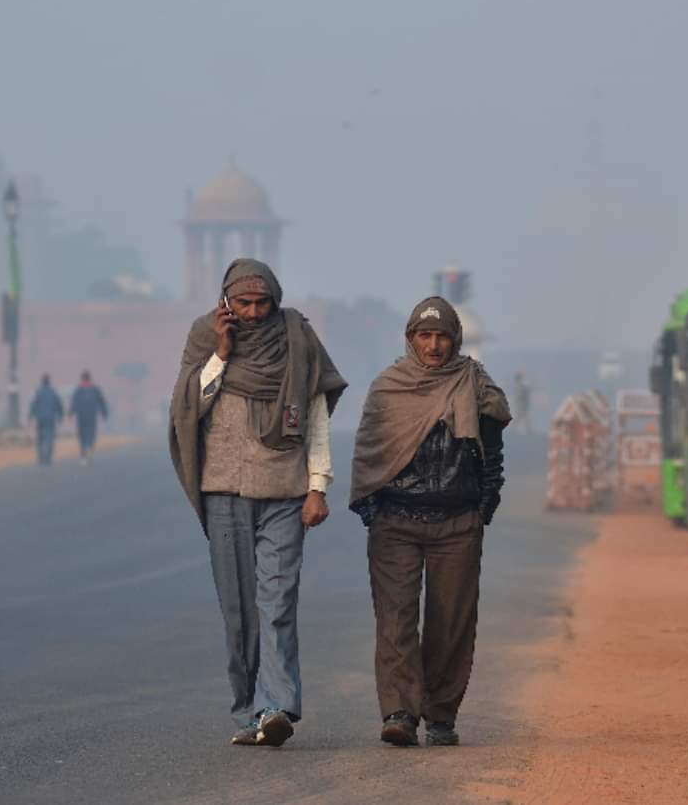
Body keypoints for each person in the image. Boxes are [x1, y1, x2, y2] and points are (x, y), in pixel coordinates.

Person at [168, 258, 347, 748]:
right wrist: (222, 354)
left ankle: (277, 705)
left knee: (277, 601)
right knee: (238, 608)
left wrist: (318, 486)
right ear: (226, 301)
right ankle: (247, 711)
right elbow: (188, 404)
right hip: (224, 489)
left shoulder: (298, 338)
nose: (252, 312)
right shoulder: (206, 337)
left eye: (261, 302)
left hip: (285, 489)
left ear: (276, 300)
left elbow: (315, 415)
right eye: (242, 303)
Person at [350, 296, 511, 747]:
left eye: (443, 336)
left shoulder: (476, 385)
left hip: (457, 523)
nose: (435, 345)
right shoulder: (388, 387)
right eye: (426, 335)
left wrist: (484, 507)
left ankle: (440, 715)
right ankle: (399, 713)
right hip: (395, 520)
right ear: (410, 338)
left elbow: (492, 454)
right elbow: (368, 451)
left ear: (456, 340)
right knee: (396, 620)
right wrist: (372, 509)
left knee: (451, 623)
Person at [69, 370, 108, 465]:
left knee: (82, 436)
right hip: (91, 415)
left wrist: (71, 413)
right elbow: (101, 402)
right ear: (89, 378)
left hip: (81, 416)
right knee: (91, 434)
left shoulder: (79, 389)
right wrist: (104, 413)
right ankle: (90, 448)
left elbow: (74, 402)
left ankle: (83, 455)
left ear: (82, 378)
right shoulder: (95, 389)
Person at [28, 374, 64, 465]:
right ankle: (47, 458)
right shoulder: (53, 393)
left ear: (42, 382)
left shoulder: (38, 392)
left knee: (40, 439)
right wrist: (60, 416)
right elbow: (59, 406)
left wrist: (30, 416)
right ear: (49, 382)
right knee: (50, 438)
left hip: (40, 419)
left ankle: (40, 458)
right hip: (50, 419)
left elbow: (33, 405)